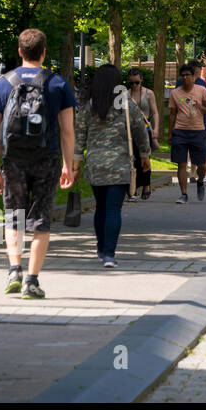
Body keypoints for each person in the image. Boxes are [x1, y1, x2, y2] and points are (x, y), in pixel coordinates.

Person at [0, 28, 78, 299]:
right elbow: (67, 130)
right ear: (44, 52)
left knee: (14, 216)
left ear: (20, 52)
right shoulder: (57, 83)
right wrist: (67, 165)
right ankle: (32, 281)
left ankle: (14, 270)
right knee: (41, 221)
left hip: (14, 160)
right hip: (46, 159)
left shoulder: (3, 83)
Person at [74, 64, 150, 267]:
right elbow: (141, 131)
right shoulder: (126, 104)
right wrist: (145, 155)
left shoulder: (89, 106)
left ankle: (100, 248)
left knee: (100, 207)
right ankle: (109, 254)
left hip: (95, 165)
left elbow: (79, 135)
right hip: (120, 164)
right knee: (113, 209)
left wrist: (75, 163)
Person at [168, 61, 206, 203]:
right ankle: (184, 194)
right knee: (181, 163)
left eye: (188, 75)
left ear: (193, 77)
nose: (185, 78)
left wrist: (199, 106)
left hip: (198, 131)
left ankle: (200, 181)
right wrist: (170, 133)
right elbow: (173, 114)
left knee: (202, 164)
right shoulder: (175, 93)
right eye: (183, 76)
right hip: (180, 131)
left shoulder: (202, 90)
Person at [126, 67, 160, 200]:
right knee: (131, 158)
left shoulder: (148, 93)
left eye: (137, 82)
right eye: (132, 83)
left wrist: (156, 129)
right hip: (130, 129)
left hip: (145, 127)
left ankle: (146, 184)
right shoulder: (126, 95)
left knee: (145, 157)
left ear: (141, 80)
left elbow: (155, 112)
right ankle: (133, 187)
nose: (134, 85)